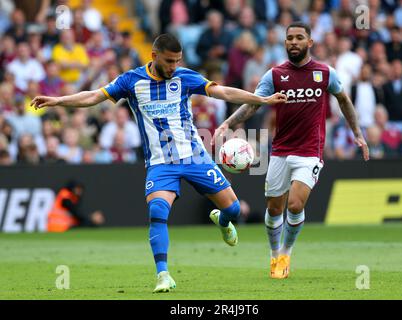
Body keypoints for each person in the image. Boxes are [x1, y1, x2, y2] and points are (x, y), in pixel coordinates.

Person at [31, 34, 287, 292]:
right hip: (161, 163)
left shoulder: (184, 77)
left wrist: (261, 100)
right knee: (157, 212)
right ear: (154, 56)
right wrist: (59, 101)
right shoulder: (131, 81)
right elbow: (94, 97)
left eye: (177, 61)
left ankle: (221, 221)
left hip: (194, 156)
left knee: (233, 211)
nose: (173, 66)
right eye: (169, 61)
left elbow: (221, 91)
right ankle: (163, 274)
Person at [212, 22, 369, 280]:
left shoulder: (325, 73)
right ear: (285, 43)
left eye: (299, 38)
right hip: (281, 151)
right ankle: (274, 255)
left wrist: (358, 134)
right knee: (275, 209)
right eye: (289, 38)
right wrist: (229, 122)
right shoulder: (274, 75)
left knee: (295, 204)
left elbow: (344, 100)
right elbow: (254, 104)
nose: (293, 42)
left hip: (309, 151)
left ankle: (286, 253)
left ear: (309, 43)